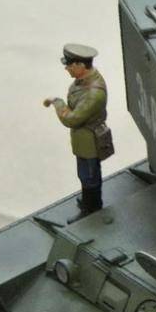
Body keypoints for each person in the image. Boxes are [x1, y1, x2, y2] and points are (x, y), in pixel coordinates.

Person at [43, 44, 113, 222]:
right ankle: (89, 201)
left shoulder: (93, 93)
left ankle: (92, 207)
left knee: (89, 175)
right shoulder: (82, 82)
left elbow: (71, 119)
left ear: (81, 66)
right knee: (85, 173)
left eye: (70, 65)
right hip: (82, 139)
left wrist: (58, 103)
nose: (67, 68)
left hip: (89, 141)